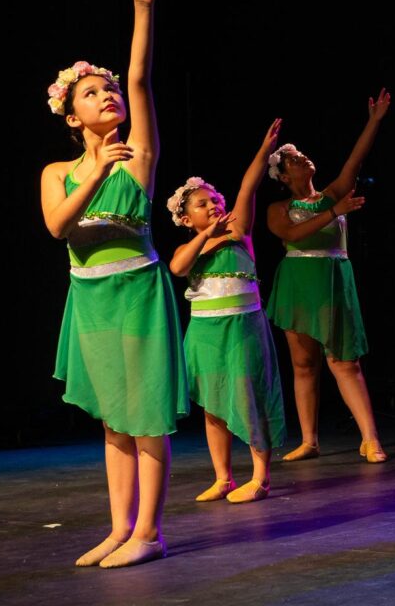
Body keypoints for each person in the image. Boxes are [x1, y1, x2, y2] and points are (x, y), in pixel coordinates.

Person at [41, 0, 187, 567]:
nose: (107, 96)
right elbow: (58, 226)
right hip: (91, 297)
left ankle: (148, 533)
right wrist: (95, 169)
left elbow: (140, 78)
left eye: (108, 89)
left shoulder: (139, 157)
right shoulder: (57, 171)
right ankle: (119, 527)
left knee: (146, 413)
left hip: (137, 292)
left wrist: (141, 9)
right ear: (72, 116)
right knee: (114, 420)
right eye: (91, 93)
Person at [266, 90, 390, 463]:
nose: (303, 158)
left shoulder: (332, 194)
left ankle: (370, 438)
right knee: (304, 365)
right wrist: (333, 213)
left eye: (302, 155)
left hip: (333, 280)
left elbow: (355, 159)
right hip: (298, 284)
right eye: (294, 160)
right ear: (283, 176)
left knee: (344, 361)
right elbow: (291, 234)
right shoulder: (279, 208)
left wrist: (374, 121)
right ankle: (309, 440)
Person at [168, 120, 287, 504]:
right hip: (205, 333)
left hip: (242, 328)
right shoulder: (190, 247)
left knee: (250, 397)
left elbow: (248, 187)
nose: (213, 205)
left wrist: (263, 150)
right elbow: (177, 267)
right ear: (187, 220)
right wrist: (206, 235)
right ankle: (223, 478)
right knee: (214, 405)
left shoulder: (239, 232)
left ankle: (260, 477)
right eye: (202, 204)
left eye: (214, 199)